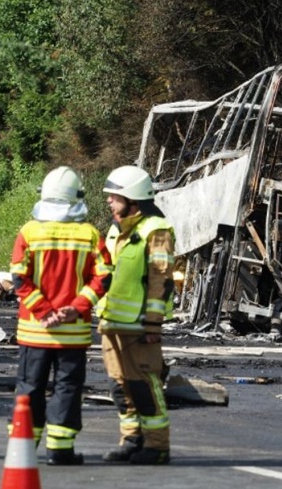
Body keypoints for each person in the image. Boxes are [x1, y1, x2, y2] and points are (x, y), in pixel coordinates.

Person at [10, 166, 112, 466]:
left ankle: (24, 446)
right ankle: (60, 449)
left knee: (30, 388)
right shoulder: (90, 235)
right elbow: (104, 278)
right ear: (76, 198)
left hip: (35, 330)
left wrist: (44, 312)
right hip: (73, 331)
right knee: (67, 388)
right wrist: (77, 306)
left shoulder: (29, 232)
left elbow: (19, 278)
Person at [98, 165, 175, 465]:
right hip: (112, 321)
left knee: (144, 384)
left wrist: (153, 322)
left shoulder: (155, 230)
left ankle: (157, 446)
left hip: (140, 326)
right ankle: (131, 438)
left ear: (132, 198)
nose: (109, 202)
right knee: (119, 384)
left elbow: (161, 278)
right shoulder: (116, 230)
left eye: (114, 196)